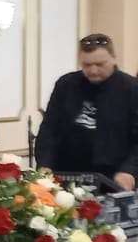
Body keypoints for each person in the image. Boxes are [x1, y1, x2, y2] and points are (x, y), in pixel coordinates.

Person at [36, 33, 138, 190]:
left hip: (115, 177)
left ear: (114, 58)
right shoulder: (66, 85)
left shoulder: (131, 88)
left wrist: (129, 170)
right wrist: (45, 164)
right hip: (68, 175)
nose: (93, 70)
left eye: (100, 64)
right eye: (87, 65)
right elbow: (49, 130)